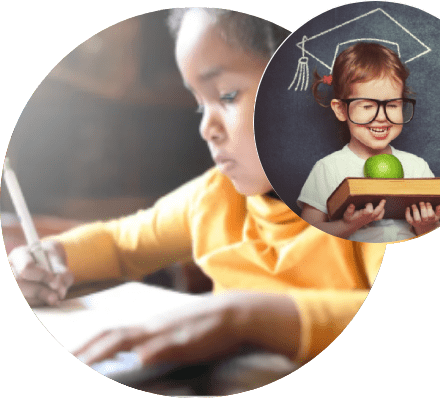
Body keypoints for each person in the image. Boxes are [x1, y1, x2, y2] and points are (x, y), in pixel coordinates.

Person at [8, 8, 386, 371]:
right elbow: (120, 244)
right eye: (198, 105)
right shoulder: (214, 198)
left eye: (226, 95)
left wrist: (242, 317)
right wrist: (52, 259)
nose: (207, 128)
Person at [298, 42, 440, 243]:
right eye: (367, 106)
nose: (381, 117)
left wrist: (426, 226)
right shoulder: (328, 169)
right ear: (341, 110)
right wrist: (349, 225)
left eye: (392, 105)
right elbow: (307, 235)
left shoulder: (417, 167)